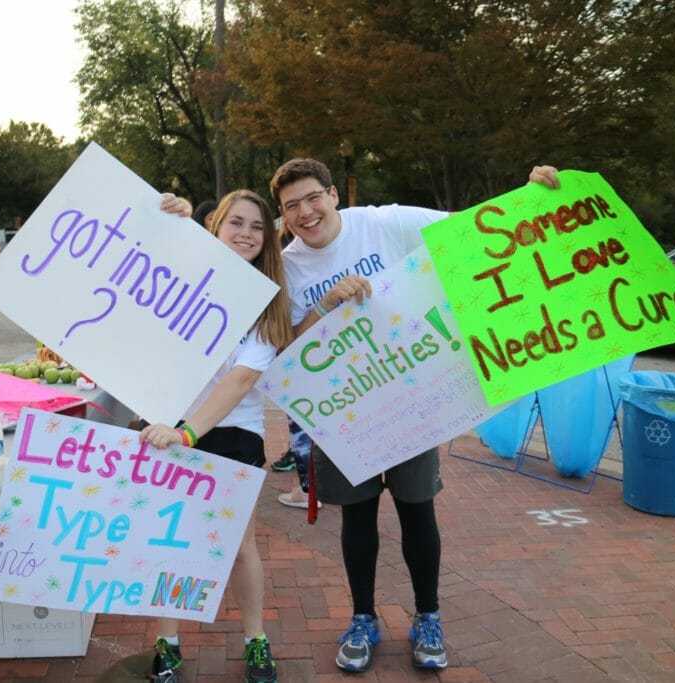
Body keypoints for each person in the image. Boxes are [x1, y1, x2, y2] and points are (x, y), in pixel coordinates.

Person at [271, 158, 559, 673]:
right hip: (343, 413)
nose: (305, 212)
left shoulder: (383, 222)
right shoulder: (286, 267)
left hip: (409, 399)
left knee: (416, 508)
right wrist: (324, 308)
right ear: (283, 214)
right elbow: (284, 350)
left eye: (313, 197)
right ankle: (363, 618)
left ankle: (429, 616)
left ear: (333, 194)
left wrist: (529, 195)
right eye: (292, 206)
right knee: (357, 517)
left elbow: (468, 229)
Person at [142, 189, 294, 683]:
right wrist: (172, 218)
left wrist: (187, 433)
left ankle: (256, 642)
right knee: (172, 542)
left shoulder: (267, 302)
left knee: (238, 545)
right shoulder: (187, 277)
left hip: (232, 435)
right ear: (218, 225)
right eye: (237, 223)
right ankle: (168, 641)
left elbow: (242, 380)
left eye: (257, 227)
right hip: (170, 429)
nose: (246, 233)